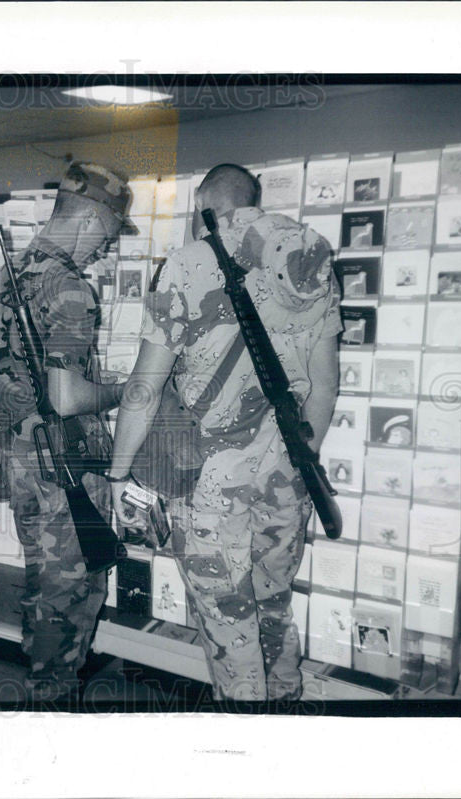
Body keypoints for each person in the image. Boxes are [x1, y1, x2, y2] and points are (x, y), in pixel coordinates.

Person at [107, 164, 341, 702]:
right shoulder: (309, 259)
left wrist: (120, 474)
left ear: (202, 205)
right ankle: (284, 708)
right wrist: (298, 464)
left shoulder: (188, 265)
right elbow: (324, 390)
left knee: (227, 617)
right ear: (254, 200)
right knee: (274, 604)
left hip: (211, 483)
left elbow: (144, 387)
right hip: (289, 476)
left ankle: (244, 744)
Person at [0, 162, 136, 702]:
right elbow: (67, 397)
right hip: (63, 460)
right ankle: (52, 700)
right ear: (94, 219)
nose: (107, 248)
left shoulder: (4, 277)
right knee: (70, 592)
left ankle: (48, 684)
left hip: (26, 456)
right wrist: (132, 390)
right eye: (112, 234)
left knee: (47, 585)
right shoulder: (68, 286)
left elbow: (7, 376)